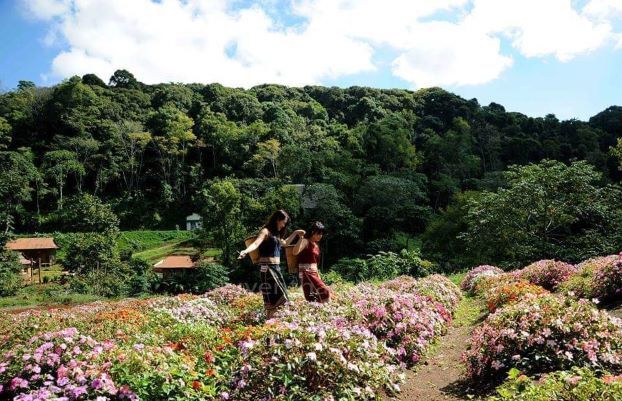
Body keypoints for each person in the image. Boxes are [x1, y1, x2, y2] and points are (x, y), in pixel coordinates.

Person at [238, 210, 303, 318]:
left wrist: (295, 233)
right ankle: (270, 321)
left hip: (276, 268)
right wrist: (245, 251)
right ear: (277, 220)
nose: (284, 225)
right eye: (283, 222)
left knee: (281, 295)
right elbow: (256, 243)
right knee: (273, 297)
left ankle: (275, 321)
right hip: (267, 269)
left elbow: (285, 243)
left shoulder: (276, 234)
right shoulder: (265, 231)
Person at [293, 221, 330, 303]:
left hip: (314, 272)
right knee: (324, 291)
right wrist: (301, 238)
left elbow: (315, 263)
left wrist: (318, 275)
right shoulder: (305, 241)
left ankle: (319, 311)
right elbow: (295, 252)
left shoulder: (316, 245)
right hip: (306, 273)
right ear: (312, 232)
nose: (320, 236)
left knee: (313, 297)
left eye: (321, 234)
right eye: (318, 234)